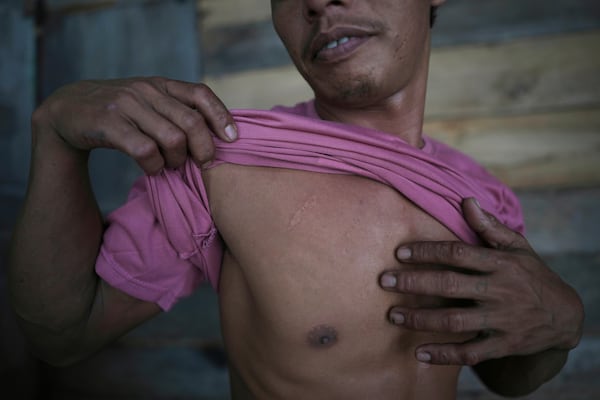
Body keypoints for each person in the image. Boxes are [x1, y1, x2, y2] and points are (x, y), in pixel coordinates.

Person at [9, 0, 583, 399]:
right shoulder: (219, 162)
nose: (318, 3)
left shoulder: (485, 198)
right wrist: (54, 133)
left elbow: (509, 375)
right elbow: (63, 333)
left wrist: (560, 326)